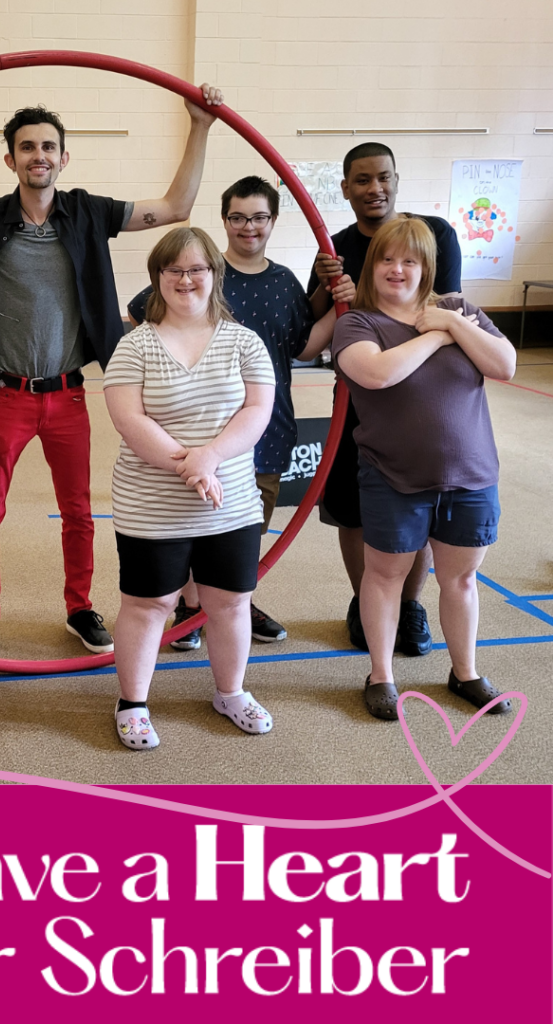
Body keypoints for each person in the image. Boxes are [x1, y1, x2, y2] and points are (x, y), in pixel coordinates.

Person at [0, 87, 224, 659]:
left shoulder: (90, 212)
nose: (39, 155)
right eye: (27, 147)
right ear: (11, 160)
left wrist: (199, 125)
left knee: (79, 512)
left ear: (64, 158)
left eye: (49, 146)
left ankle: (79, 606)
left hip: (69, 394)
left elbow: (175, 208)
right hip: (5, 394)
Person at [127, 176, 353, 650]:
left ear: (272, 221)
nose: (248, 226)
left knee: (240, 534)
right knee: (184, 522)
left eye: (259, 217)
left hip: (262, 431)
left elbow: (304, 346)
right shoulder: (195, 273)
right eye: (237, 217)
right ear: (225, 220)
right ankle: (191, 610)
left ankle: (229, 603)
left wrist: (340, 302)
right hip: (186, 438)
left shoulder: (283, 282)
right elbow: (146, 322)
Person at [330, 217, 515, 720]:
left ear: (427, 267)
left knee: (460, 580)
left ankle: (465, 672)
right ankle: (381, 675)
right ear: (373, 266)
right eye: (387, 259)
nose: (397, 269)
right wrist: (437, 336)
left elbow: (504, 365)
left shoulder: (459, 310)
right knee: (385, 575)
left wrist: (451, 322)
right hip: (394, 476)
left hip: (471, 475)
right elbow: (377, 372)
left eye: (410, 260)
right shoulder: (358, 323)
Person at [104, 227, 277, 749]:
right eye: (174, 269)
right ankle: (132, 702)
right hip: (151, 507)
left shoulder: (244, 341)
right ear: (159, 277)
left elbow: (257, 410)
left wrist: (211, 456)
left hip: (231, 506)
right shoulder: (135, 346)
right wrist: (192, 466)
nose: (185, 278)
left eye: (197, 268)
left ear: (214, 275)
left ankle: (230, 692)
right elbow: (128, 419)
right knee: (149, 604)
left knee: (229, 602)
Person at [307, 142, 463, 656]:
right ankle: (366, 600)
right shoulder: (332, 247)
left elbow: (443, 308)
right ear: (346, 188)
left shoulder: (434, 233)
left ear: (397, 179)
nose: (375, 188)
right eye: (363, 180)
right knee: (352, 509)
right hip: (358, 397)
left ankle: (409, 604)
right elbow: (315, 330)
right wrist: (333, 291)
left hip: (422, 398)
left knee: (417, 507)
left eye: (384, 177)